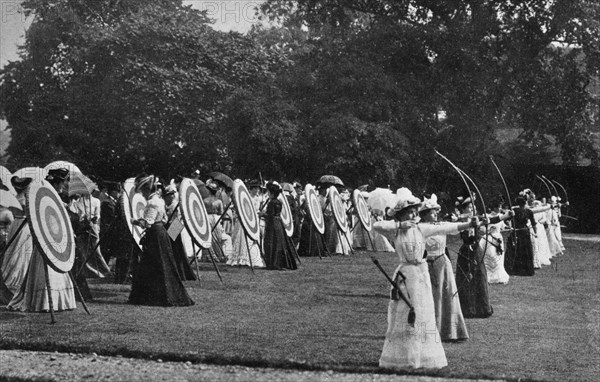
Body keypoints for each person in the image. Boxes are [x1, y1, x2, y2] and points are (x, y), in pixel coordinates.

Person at [373, 188, 479, 369]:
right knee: (405, 314)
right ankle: (403, 356)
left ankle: (422, 355)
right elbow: (377, 226)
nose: (415, 213)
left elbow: (448, 227)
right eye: (411, 211)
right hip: (406, 274)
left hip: (421, 274)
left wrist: (469, 224)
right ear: (402, 214)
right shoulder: (396, 231)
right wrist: (400, 226)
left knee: (423, 314)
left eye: (415, 210)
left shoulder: (421, 228)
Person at [8, 169, 76, 312]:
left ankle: (58, 300)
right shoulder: (44, 194)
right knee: (47, 265)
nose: (64, 186)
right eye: (63, 182)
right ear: (57, 182)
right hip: (46, 237)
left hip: (55, 238)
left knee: (58, 263)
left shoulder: (53, 196)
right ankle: (44, 301)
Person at [128, 174, 194, 307]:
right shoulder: (160, 201)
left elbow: (148, 223)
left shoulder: (153, 202)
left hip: (157, 234)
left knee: (155, 264)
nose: (143, 194)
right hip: (161, 232)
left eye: (143, 191)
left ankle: (154, 296)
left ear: (148, 190)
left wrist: (135, 221)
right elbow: (163, 219)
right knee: (162, 263)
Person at [419, 194, 469, 342]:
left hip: (442, 263)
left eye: (436, 211)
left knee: (447, 295)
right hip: (425, 265)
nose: (436, 214)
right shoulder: (419, 227)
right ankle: (429, 332)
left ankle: (450, 331)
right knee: (429, 297)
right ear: (425, 214)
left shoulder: (441, 225)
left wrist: (472, 223)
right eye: (432, 212)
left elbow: (457, 227)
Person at [455, 195, 513, 318]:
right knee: (466, 278)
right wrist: (473, 223)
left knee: (480, 275)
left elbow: (493, 219)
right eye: (470, 207)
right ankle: (468, 309)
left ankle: (482, 308)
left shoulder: (477, 218)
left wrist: (506, 216)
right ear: (464, 209)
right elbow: (463, 229)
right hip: (466, 250)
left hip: (477, 250)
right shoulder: (460, 220)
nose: (472, 209)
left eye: (473, 207)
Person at [100, 181, 131, 284]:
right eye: (117, 191)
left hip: (117, 232)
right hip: (113, 232)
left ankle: (120, 276)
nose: (118, 193)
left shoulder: (114, 202)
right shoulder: (108, 202)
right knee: (111, 254)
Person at [164, 184, 196, 281]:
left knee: (175, 250)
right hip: (175, 225)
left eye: (167, 196)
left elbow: (175, 218)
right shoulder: (171, 204)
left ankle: (179, 273)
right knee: (176, 250)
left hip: (174, 226)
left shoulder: (174, 205)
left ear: (171, 195)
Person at [262, 182, 297, 270]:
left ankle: (273, 263)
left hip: (272, 224)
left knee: (271, 243)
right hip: (279, 223)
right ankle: (279, 263)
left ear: (272, 193)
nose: (268, 194)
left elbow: (270, 215)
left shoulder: (271, 203)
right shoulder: (279, 202)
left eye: (269, 193)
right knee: (278, 243)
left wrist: (262, 214)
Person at [505, 196, 538, 276]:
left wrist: (510, 226)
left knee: (519, 250)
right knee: (523, 250)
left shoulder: (517, 211)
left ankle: (517, 270)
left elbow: (507, 220)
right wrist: (535, 232)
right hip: (521, 232)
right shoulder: (516, 211)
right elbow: (533, 224)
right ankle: (524, 270)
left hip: (520, 232)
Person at [203, 181, 232, 262]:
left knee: (209, 235)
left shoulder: (205, 200)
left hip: (207, 217)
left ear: (209, 191)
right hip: (216, 218)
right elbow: (221, 212)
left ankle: (209, 255)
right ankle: (216, 254)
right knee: (217, 236)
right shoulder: (219, 201)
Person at [483, 200, 510, 284]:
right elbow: (482, 228)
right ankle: (489, 276)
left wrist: (508, 227)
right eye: (498, 207)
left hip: (498, 238)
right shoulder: (487, 216)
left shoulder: (501, 216)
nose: (500, 208)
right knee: (491, 256)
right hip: (489, 238)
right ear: (494, 208)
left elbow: (502, 226)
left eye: (501, 207)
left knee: (499, 257)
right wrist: (488, 230)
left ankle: (499, 276)